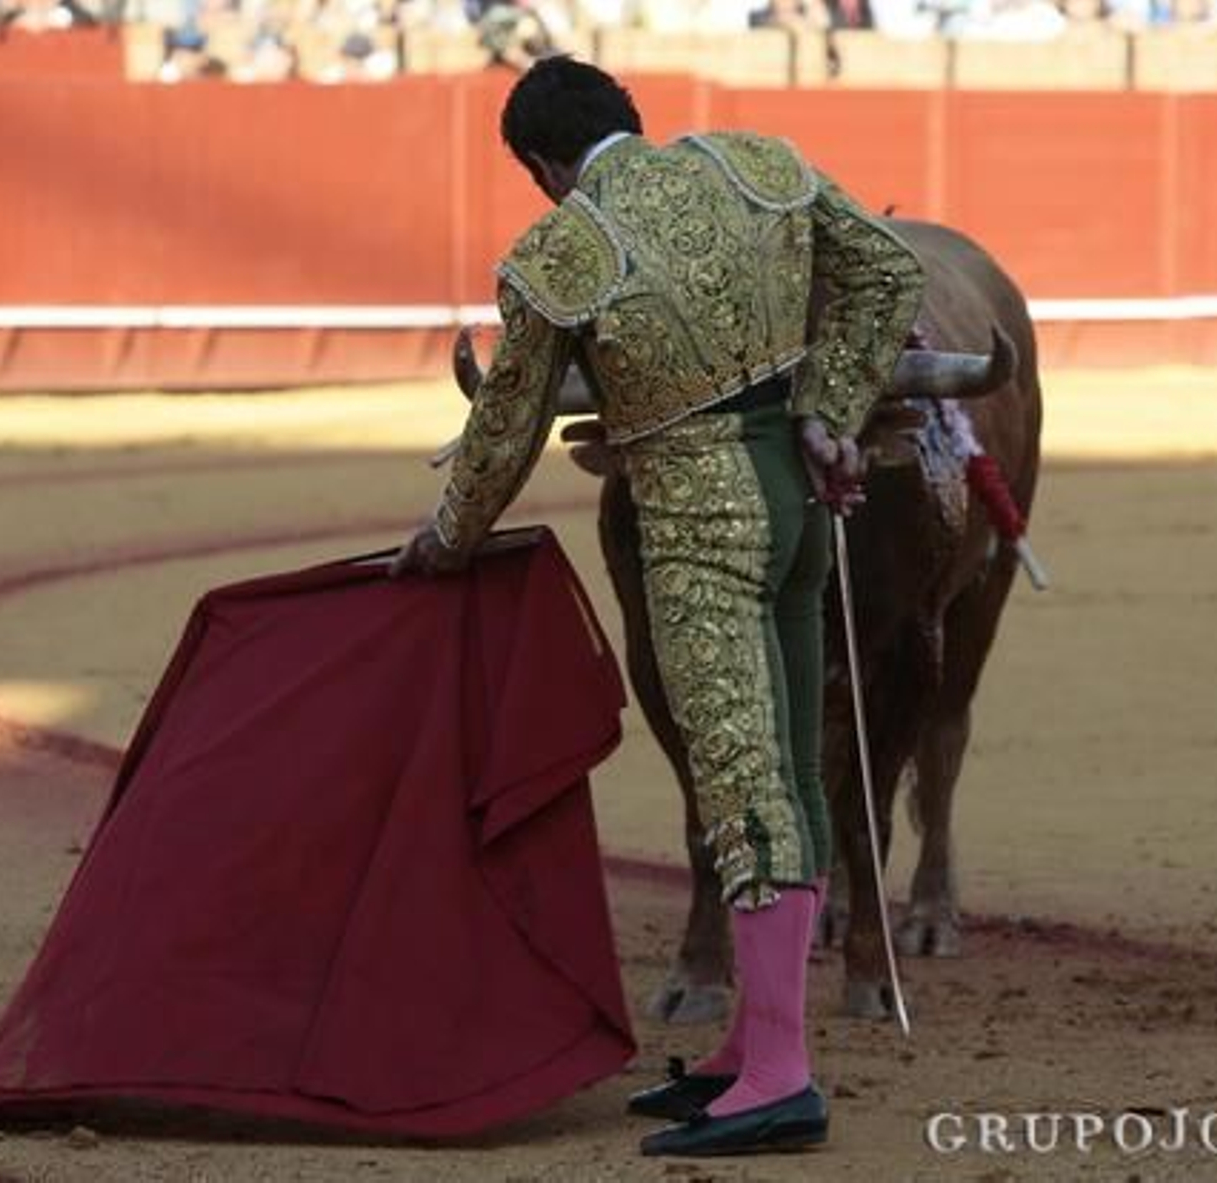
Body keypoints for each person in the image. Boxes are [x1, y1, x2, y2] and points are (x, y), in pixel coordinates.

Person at [393, 56, 923, 1157]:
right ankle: (750, 1040)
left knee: (741, 777)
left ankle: (781, 1074)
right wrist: (827, 410)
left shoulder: (559, 251)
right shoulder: (756, 164)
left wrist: (447, 539)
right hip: (795, 516)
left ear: (543, 168)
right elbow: (883, 268)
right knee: (785, 752)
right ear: (630, 122)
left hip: (695, 528)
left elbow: (504, 431)